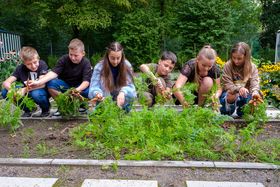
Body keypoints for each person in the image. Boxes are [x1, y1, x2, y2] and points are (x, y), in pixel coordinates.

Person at [28, 38, 92, 115]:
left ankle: (82, 105)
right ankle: (62, 105)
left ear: (83, 53)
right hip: (65, 86)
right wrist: (38, 82)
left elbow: (86, 82)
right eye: (70, 54)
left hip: (80, 87)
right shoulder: (64, 59)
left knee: (88, 90)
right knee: (51, 83)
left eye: (76, 55)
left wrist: (76, 90)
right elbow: (53, 73)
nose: (72, 57)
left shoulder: (86, 63)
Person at [1, 46, 50, 117]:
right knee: (5, 92)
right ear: (24, 63)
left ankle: (46, 109)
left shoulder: (42, 64)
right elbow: (6, 82)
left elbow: (42, 84)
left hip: (41, 91)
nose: (33, 66)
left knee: (36, 93)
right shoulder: (20, 69)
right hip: (28, 92)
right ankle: (28, 109)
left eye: (35, 62)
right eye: (29, 64)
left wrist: (24, 90)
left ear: (38, 58)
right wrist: (13, 91)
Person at [88, 41, 136, 112]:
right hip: (104, 100)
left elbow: (131, 88)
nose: (115, 61)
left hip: (122, 101)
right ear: (107, 55)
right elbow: (93, 87)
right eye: (112, 58)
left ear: (122, 56)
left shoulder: (127, 66)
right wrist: (97, 93)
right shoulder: (99, 67)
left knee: (129, 95)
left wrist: (123, 92)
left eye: (118, 58)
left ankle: (123, 110)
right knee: (91, 113)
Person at [220, 42, 261, 117]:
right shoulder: (228, 65)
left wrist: (255, 91)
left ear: (246, 57)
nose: (236, 61)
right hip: (230, 94)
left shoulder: (252, 67)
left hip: (246, 95)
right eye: (234, 58)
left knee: (245, 114)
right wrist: (239, 89)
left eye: (239, 58)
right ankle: (228, 109)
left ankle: (242, 109)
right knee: (225, 111)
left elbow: (254, 82)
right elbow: (227, 83)